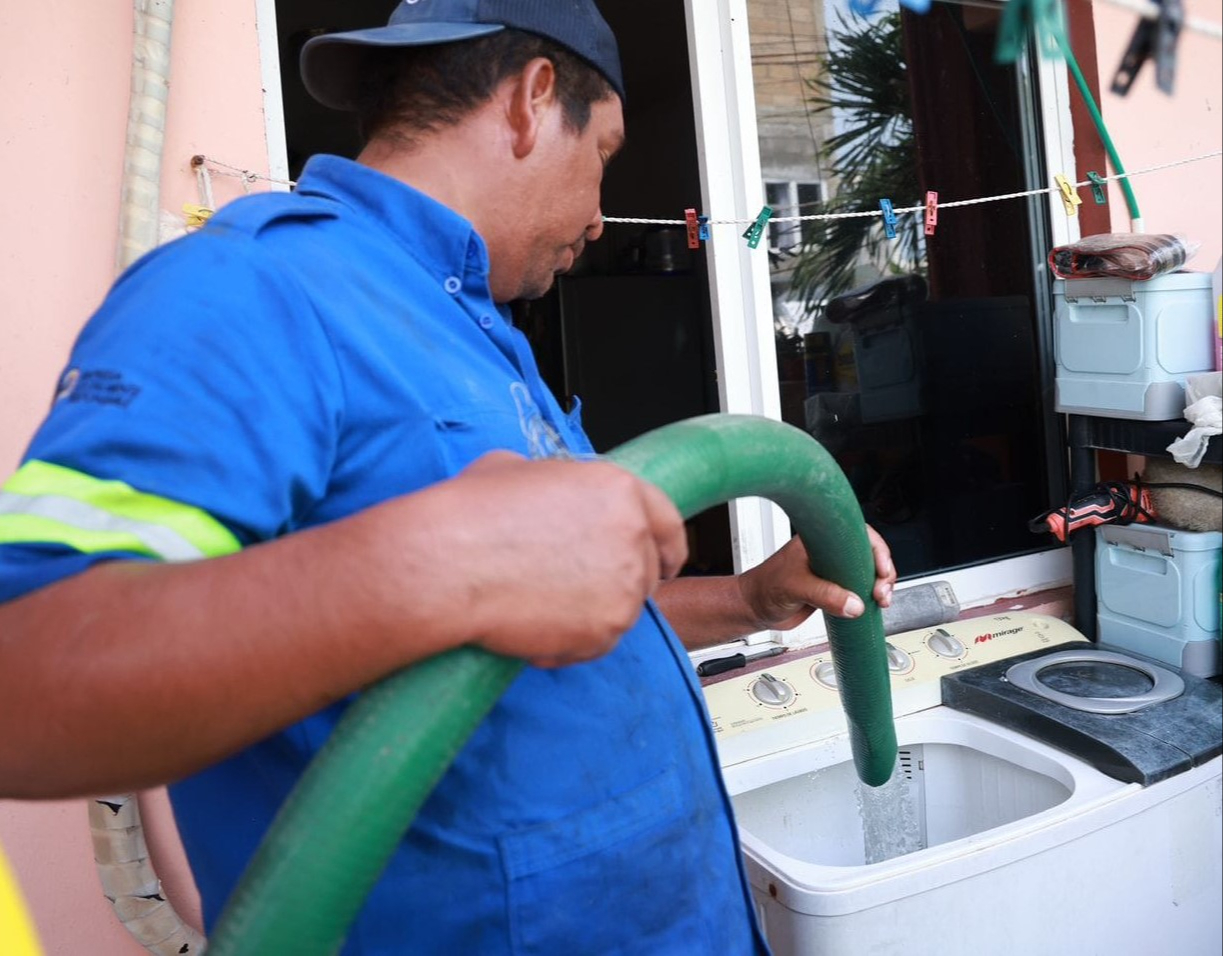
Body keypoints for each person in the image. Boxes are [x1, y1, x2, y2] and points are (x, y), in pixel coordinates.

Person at [0, 1, 895, 952]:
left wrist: (746, 602)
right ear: (532, 101)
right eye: (604, 153)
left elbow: (509, 631)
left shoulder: (471, 326)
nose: (599, 217)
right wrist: (437, 560)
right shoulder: (251, 289)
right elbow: (25, 672)